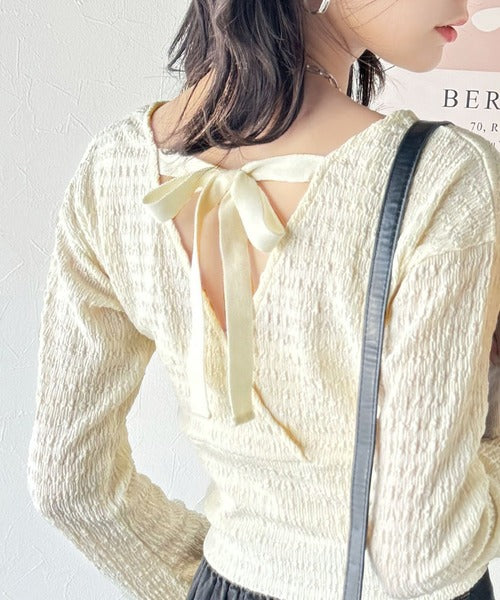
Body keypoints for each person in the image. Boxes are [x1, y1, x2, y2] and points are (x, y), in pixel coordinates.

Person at [26, 0, 500, 598]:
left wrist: (212, 579)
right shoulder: (444, 179)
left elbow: (69, 483)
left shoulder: (113, 172)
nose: (475, 3)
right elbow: (424, 555)